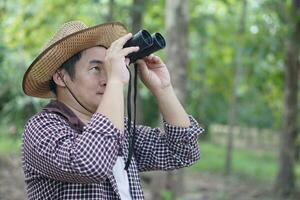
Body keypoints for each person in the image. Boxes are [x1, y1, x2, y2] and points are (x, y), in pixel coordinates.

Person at [21, 21, 204, 200]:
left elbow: (183, 152)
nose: (106, 78)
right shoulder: (41, 128)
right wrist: (116, 80)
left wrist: (163, 89)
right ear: (61, 77)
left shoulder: (119, 128)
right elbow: (91, 165)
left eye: (109, 68)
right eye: (95, 68)